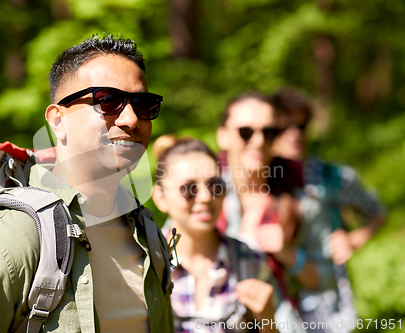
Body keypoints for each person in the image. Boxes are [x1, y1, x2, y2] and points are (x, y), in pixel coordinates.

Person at [0, 34, 174, 333]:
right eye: (108, 101)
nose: (132, 118)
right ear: (57, 120)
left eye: (144, 104)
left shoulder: (148, 236)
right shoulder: (12, 240)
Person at [215, 93, 335, 332]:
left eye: (269, 132)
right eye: (246, 132)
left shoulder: (301, 203)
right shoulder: (201, 199)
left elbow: (325, 280)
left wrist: (289, 254)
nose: (258, 141)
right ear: (223, 136)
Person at [271, 87, 386, 332]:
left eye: (301, 126)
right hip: (277, 296)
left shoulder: (333, 176)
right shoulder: (259, 178)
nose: (294, 135)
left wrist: (354, 239)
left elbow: (376, 211)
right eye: (283, 128)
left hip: (326, 296)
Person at [151, 135, 277, 333]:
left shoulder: (249, 260)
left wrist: (267, 319)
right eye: (189, 188)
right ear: (160, 198)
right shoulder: (142, 265)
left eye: (214, 185)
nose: (205, 197)